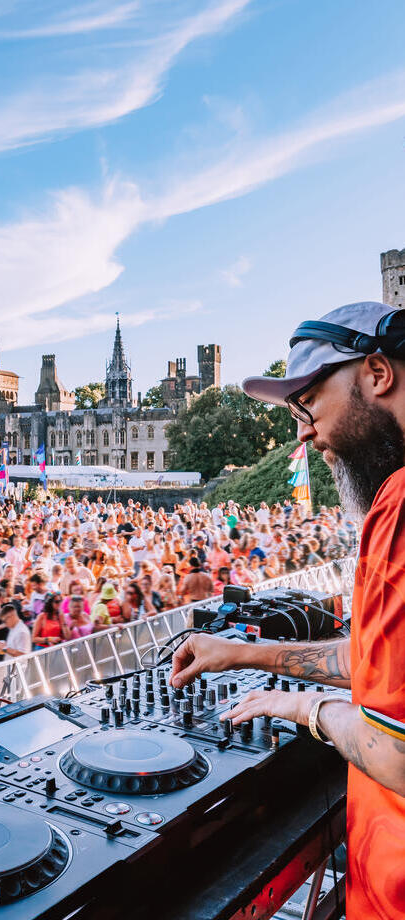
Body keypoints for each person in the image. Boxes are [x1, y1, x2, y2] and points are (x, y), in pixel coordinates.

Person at [171, 301, 405, 919]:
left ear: (377, 373)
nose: (302, 432)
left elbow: (398, 753)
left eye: (308, 405)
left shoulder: (401, 503)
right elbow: (378, 667)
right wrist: (250, 654)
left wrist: (304, 708)